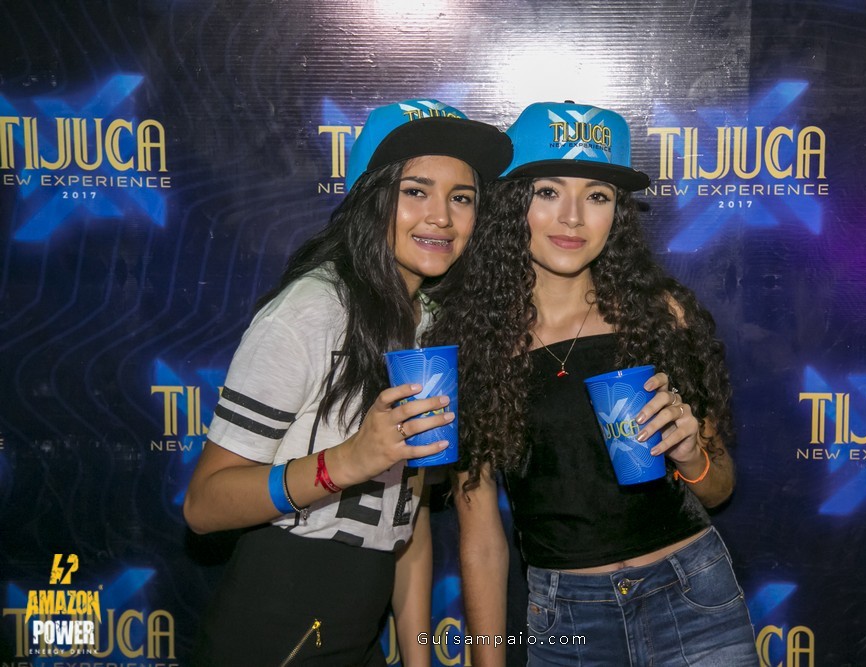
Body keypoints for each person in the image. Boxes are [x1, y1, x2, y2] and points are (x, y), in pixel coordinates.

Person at [426, 101, 758, 666]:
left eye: (597, 196)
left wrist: (690, 456)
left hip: (692, 597)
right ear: (512, 204)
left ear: (617, 214)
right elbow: (480, 541)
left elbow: (718, 487)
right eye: (548, 192)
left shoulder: (659, 316)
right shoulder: (474, 344)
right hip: (567, 617)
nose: (573, 218)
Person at [183, 99, 512, 666]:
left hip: (361, 632)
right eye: (416, 191)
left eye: (462, 197)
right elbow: (203, 505)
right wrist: (346, 461)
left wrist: (418, 659)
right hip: (275, 630)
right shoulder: (311, 309)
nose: (441, 216)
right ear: (370, 196)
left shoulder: (431, 323)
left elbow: (405, 518)